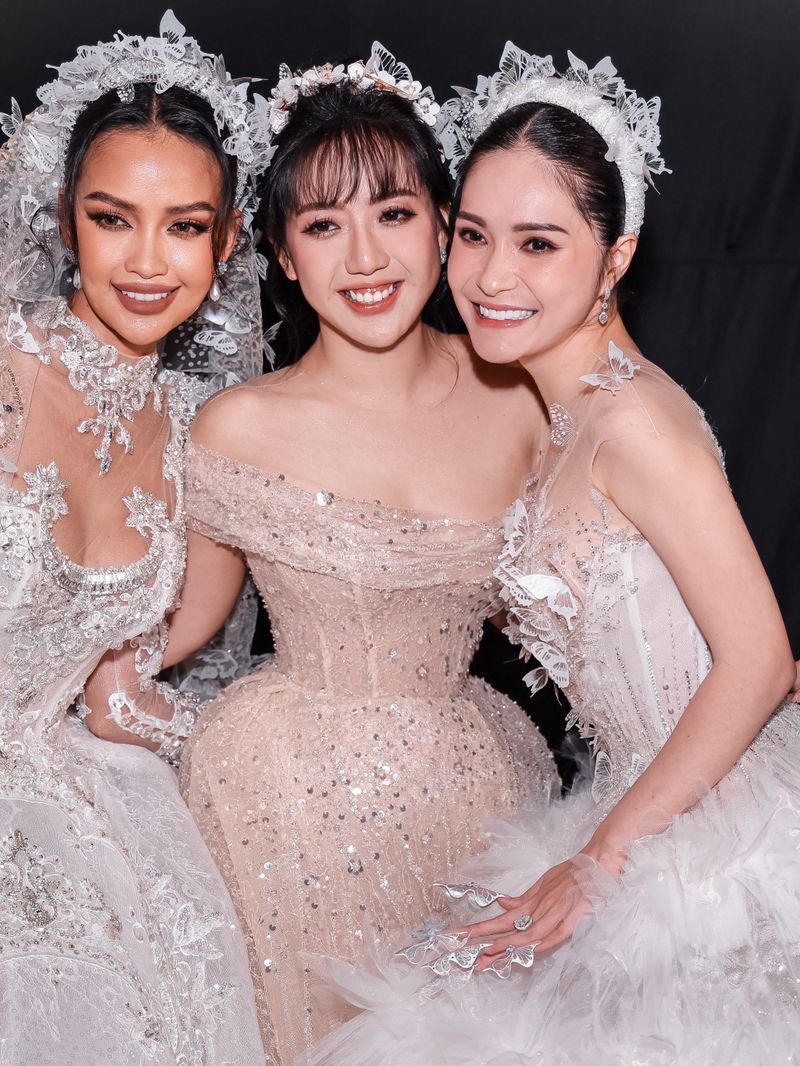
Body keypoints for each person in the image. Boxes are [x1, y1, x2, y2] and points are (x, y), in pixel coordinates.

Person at [306, 45, 799, 1065]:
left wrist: (601, 860)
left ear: (614, 258)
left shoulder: (634, 424)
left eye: (538, 243)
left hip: (711, 839)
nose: (492, 276)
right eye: (473, 235)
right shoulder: (554, 416)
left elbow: (758, 660)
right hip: (640, 803)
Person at [165, 43, 560, 1062]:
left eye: (392, 212)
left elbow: (565, 608)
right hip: (276, 807)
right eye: (322, 225)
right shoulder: (236, 427)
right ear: (283, 255)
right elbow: (189, 620)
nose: (365, 258)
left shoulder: (523, 399)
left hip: (477, 794)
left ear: (444, 223)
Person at [0, 12, 271, 1062]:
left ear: (228, 240)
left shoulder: (202, 434)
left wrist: (277, 761)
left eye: (185, 226)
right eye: (113, 219)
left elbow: (116, 691)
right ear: (65, 220)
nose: (149, 262)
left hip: (57, 803)